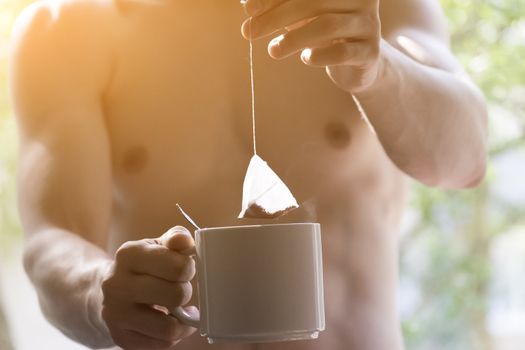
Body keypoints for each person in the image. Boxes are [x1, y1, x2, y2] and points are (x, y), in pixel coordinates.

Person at [9, 0, 487, 349]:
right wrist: (99, 293)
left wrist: (378, 68)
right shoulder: (68, 28)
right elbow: (52, 241)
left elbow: (464, 160)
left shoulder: (368, 9)